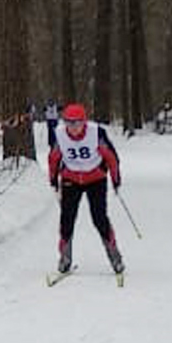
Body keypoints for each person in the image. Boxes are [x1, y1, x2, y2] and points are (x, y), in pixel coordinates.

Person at [47, 103, 123, 278]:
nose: (73, 128)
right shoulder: (59, 134)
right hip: (71, 178)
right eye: (69, 123)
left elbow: (111, 157)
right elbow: (53, 158)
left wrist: (116, 179)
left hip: (95, 178)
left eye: (77, 123)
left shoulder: (96, 133)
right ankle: (65, 258)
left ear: (84, 122)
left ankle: (115, 257)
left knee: (99, 218)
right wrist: (53, 180)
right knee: (67, 218)